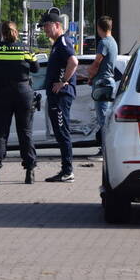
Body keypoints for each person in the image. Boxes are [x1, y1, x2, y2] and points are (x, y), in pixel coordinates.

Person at [0, 22, 39, 185]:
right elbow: (36, 68)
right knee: (25, 132)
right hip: (23, 93)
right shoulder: (26, 49)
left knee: (0, 133)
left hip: (1, 94)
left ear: (2, 33)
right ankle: (29, 172)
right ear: (16, 32)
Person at [39, 12, 79, 182]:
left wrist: (63, 81)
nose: (44, 30)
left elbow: (74, 62)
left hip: (61, 96)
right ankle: (65, 169)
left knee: (62, 132)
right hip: (56, 96)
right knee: (59, 132)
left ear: (56, 24)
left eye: (46, 26)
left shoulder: (63, 42)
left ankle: (68, 171)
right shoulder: (57, 44)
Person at [85, 16, 118, 157]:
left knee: (103, 118)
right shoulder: (113, 42)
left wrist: (90, 74)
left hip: (102, 82)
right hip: (108, 82)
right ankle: (105, 149)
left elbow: (97, 62)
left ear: (99, 28)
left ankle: (105, 150)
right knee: (105, 117)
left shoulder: (104, 43)